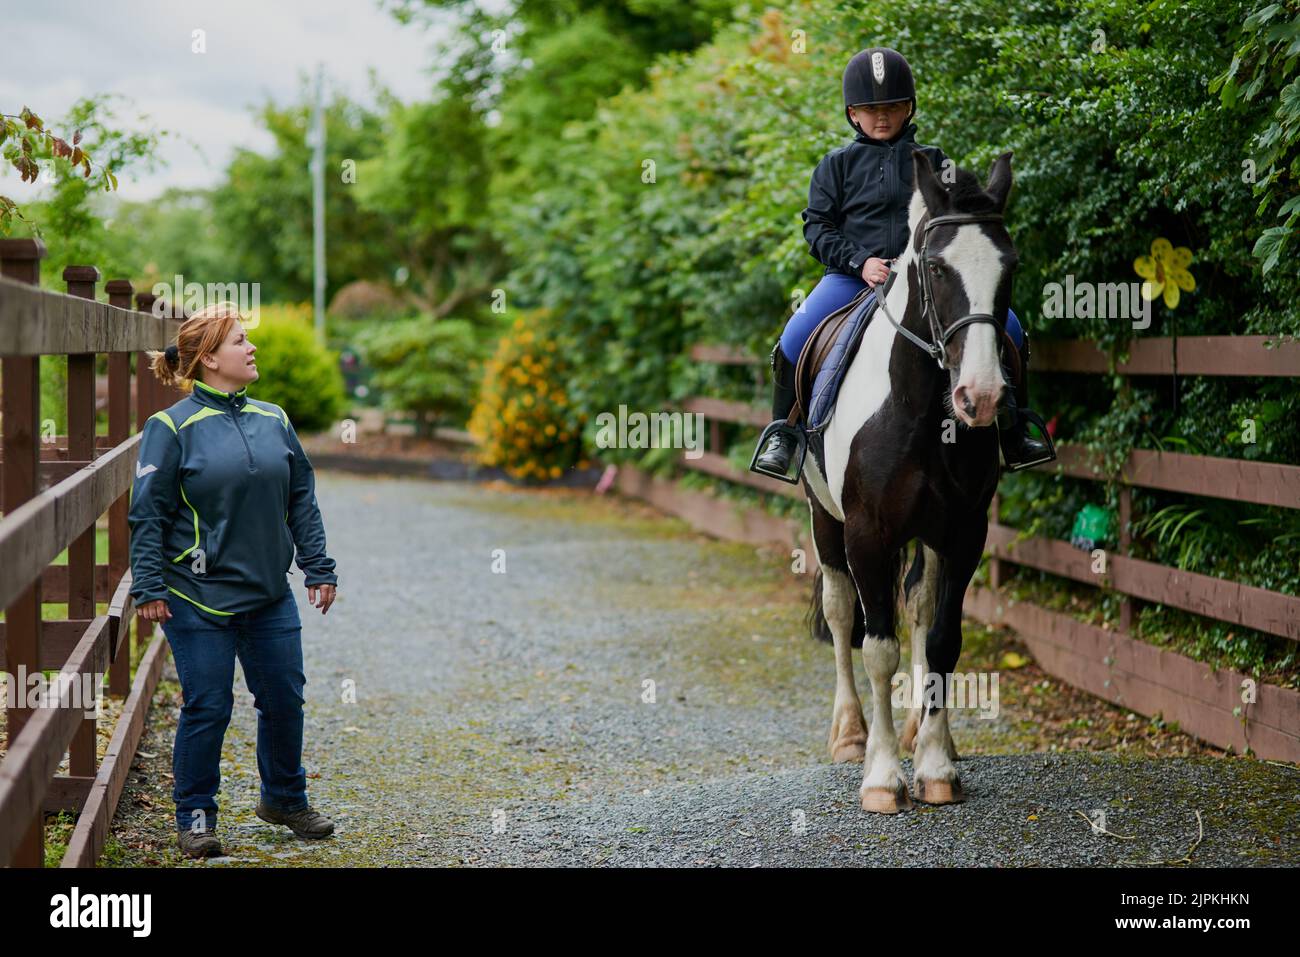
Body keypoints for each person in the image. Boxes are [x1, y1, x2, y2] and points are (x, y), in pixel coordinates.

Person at [752, 47, 1055, 477]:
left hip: (926, 280)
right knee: (794, 334)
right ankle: (783, 433)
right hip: (853, 279)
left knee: (1011, 328)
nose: (882, 117)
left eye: (893, 107)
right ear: (852, 114)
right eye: (870, 109)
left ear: (909, 108)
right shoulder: (835, 167)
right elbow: (817, 229)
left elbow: (962, 220)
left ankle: (1014, 429)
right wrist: (860, 262)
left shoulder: (936, 163)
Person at [128, 301, 339, 859]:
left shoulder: (275, 419)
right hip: (196, 596)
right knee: (208, 706)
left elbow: (301, 497)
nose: (251, 348)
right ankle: (196, 817)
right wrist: (147, 585)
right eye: (240, 341)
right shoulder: (170, 428)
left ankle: (285, 800)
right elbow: (147, 513)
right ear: (209, 359)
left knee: (284, 700)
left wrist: (318, 566)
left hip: (268, 593)